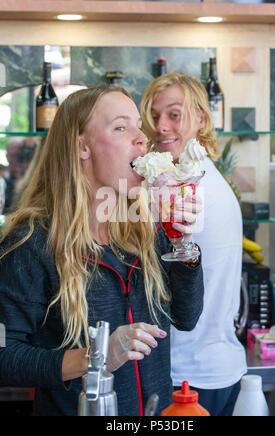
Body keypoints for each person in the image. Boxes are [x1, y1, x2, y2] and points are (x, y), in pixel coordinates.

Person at [0, 85, 204, 416]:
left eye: (139, 125)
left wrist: (184, 244)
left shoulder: (147, 229)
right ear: (82, 147)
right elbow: (4, 356)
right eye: (121, 127)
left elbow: (187, 316)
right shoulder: (32, 242)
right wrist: (95, 356)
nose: (142, 138)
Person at [141, 73, 247, 417]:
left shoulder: (187, 189)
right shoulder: (201, 176)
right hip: (214, 365)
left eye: (174, 114)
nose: (161, 126)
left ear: (202, 118)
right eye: (154, 116)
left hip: (189, 374)